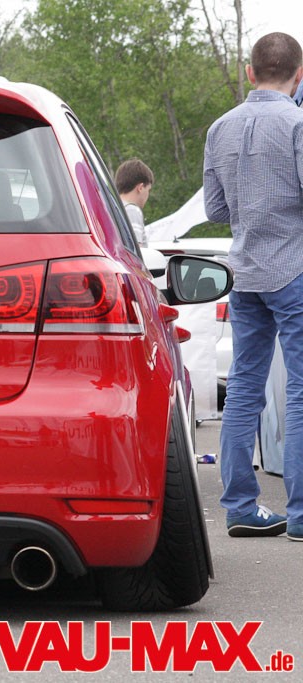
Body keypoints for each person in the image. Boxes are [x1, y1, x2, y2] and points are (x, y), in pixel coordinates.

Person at [203, 31, 303, 541]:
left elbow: (215, 209)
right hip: (294, 268)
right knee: (301, 389)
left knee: (243, 388)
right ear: (299, 75)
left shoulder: (219, 128)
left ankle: (241, 506)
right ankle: (300, 515)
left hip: (244, 274)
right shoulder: (298, 123)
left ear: (249, 72)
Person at [116, 158, 153, 247]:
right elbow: (136, 250)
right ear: (140, 188)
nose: (148, 194)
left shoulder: (113, 207)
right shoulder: (132, 210)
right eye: (148, 190)